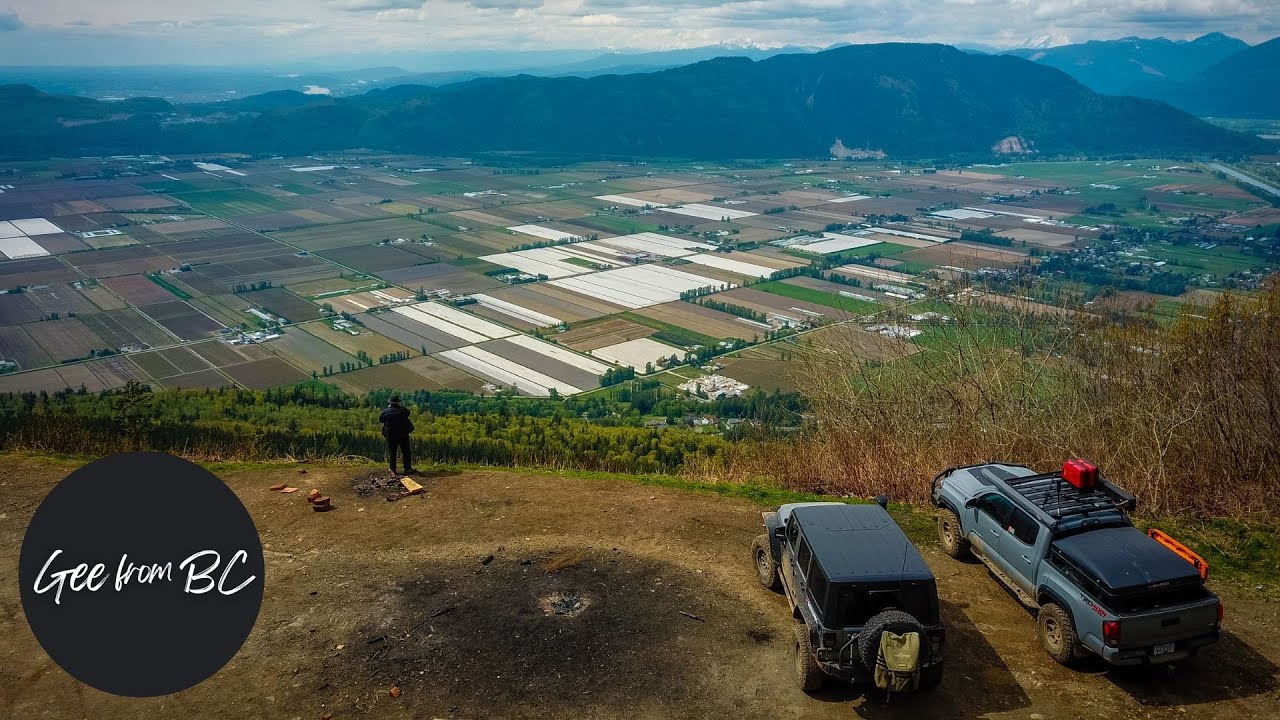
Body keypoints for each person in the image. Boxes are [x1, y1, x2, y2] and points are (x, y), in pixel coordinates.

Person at [379, 396, 415, 476]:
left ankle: (393, 469)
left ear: (390, 403)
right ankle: (407, 468)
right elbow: (408, 413)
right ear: (398, 402)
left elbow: (381, 420)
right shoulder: (403, 410)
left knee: (392, 452)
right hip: (403, 434)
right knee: (406, 451)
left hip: (391, 435)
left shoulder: (386, 411)